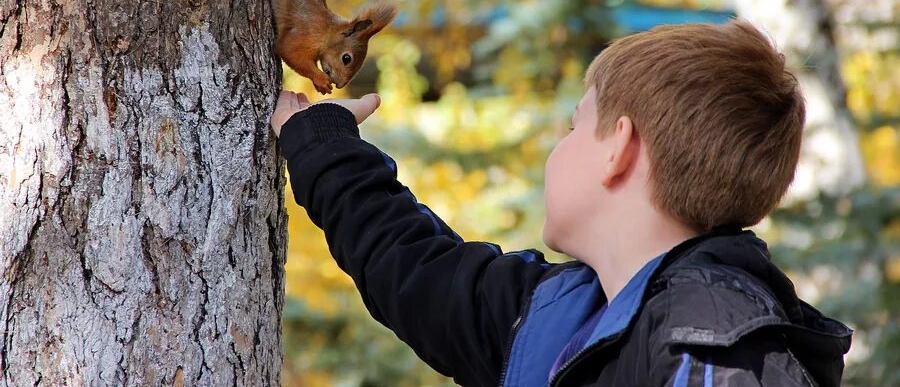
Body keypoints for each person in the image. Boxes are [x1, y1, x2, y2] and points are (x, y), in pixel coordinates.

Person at [271, 20, 852, 386]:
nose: (559, 147)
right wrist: (324, 145)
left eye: (575, 127)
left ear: (618, 149)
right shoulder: (562, 313)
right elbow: (416, 271)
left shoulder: (714, 334)